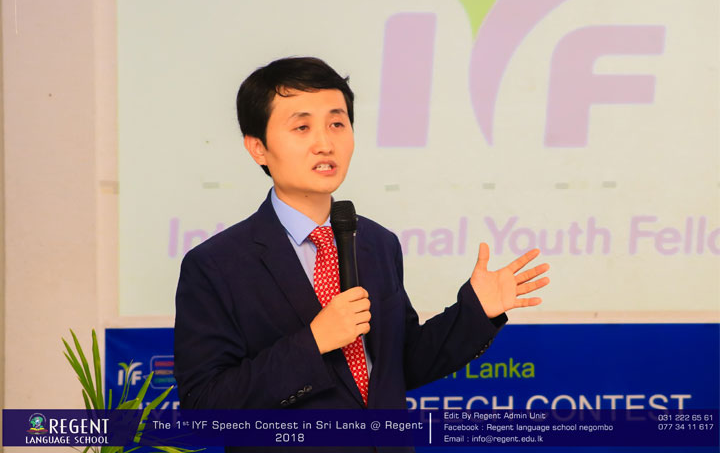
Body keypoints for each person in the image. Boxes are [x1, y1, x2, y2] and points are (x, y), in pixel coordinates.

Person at [173, 57, 550, 452]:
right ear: (258, 148)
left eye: (337, 124)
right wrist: (314, 342)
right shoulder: (216, 265)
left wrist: (476, 310)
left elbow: (400, 365)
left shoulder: (376, 243)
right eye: (302, 127)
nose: (325, 143)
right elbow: (204, 411)